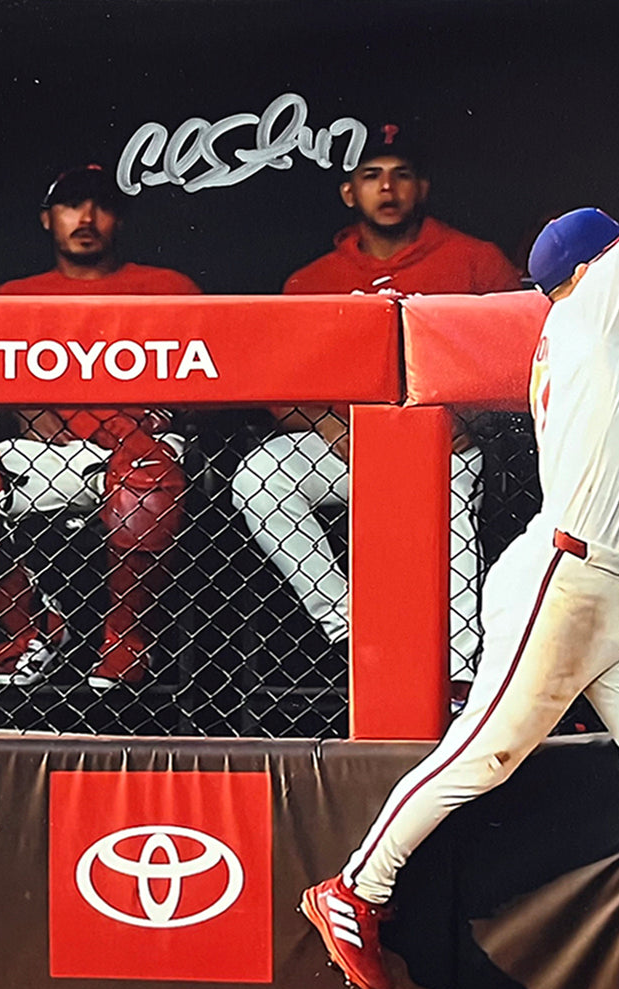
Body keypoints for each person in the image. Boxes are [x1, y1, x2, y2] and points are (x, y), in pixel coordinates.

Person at [299, 85, 619, 989]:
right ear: (596, 262)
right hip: (565, 580)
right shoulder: (594, 305)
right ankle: (353, 887)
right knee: (484, 752)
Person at [230, 121, 521, 696]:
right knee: (258, 479)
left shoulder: (473, 261)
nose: (387, 189)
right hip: (340, 445)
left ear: (422, 187)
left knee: (450, 513)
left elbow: (519, 361)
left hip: (440, 437)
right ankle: (353, 624)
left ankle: (458, 674)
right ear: (348, 193)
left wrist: (464, 418)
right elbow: (277, 385)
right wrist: (330, 424)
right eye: (371, 176)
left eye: (400, 175)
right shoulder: (315, 279)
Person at [0, 164, 199, 690]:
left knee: (147, 485)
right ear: (48, 219)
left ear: (121, 219)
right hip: (51, 451)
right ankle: (31, 630)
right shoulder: (13, 297)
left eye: (101, 206)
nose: (86, 218)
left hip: (139, 450)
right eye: (71, 205)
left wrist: (144, 422)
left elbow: (209, 387)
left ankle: (125, 640)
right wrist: (29, 413)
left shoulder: (167, 288)